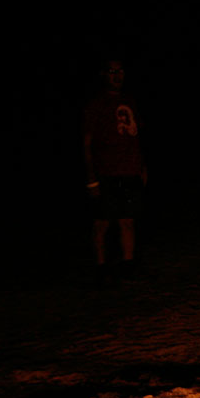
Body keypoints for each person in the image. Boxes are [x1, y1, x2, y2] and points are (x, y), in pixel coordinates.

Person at [82, 59, 147, 272]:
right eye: (112, 71)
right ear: (103, 75)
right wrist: (91, 178)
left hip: (129, 169)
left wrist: (141, 166)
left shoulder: (129, 101)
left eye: (120, 71)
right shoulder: (96, 104)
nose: (117, 75)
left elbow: (136, 137)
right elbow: (87, 143)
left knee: (127, 220)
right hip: (106, 171)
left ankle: (128, 265)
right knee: (102, 222)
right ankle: (100, 268)